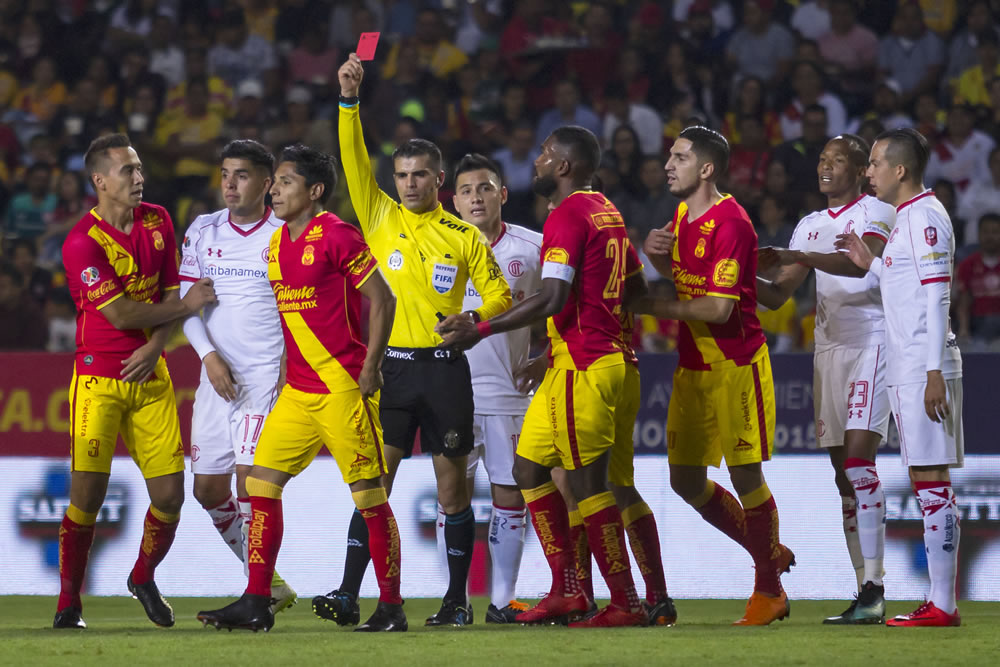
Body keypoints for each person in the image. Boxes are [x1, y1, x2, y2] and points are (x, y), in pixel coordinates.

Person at [318, 54, 511, 628]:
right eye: (401, 175)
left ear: (438, 181)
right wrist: (349, 101)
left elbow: (501, 297)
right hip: (392, 373)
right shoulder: (378, 215)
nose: (407, 184)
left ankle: (456, 602)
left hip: (446, 371)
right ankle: (351, 594)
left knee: (453, 493)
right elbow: (353, 158)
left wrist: (475, 322)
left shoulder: (464, 235)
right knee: (372, 486)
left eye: (418, 175)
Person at [438, 125, 651, 628]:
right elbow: (634, 289)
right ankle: (569, 589)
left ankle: (626, 602)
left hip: (586, 364)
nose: (535, 160)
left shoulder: (566, 215)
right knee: (530, 468)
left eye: (544, 154)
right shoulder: (605, 209)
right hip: (577, 357)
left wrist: (482, 327)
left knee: (587, 485)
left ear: (562, 165)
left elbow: (553, 298)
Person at [196, 144, 403, 632]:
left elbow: (383, 298)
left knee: (370, 498)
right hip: (298, 393)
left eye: (285, 182)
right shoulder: (275, 245)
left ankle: (391, 607)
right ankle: (257, 600)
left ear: (313, 191)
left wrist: (372, 367)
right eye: (276, 182)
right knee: (260, 485)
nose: (275, 190)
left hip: (341, 389)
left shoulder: (337, 235)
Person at [54, 133, 218, 629]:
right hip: (99, 380)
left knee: (170, 497)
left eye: (141, 167)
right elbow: (122, 312)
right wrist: (186, 309)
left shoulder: (159, 221)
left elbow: (169, 290)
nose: (139, 177)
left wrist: (156, 345)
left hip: (150, 375)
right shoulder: (82, 241)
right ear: (101, 181)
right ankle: (69, 605)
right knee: (87, 497)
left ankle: (142, 576)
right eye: (128, 170)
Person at [641, 126, 793, 625]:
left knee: (745, 473)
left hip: (736, 365)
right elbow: (688, 276)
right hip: (693, 366)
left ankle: (768, 591)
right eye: (670, 156)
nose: (668, 165)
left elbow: (721, 309)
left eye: (680, 157)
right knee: (684, 480)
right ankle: (767, 549)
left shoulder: (732, 223)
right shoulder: (684, 213)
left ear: (706, 169)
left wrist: (648, 306)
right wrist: (659, 256)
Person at [755, 134, 897, 623]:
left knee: (860, 462)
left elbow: (857, 268)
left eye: (838, 161)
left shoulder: (877, 211)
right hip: (828, 349)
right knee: (843, 477)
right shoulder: (810, 225)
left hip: (874, 341)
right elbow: (778, 296)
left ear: (860, 171)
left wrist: (802, 259)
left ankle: (877, 586)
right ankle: (864, 592)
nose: (826, 168)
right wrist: (727, 274)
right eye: (822, 160)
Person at [836, 128, 964, 627]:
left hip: (923, 366)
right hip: (910, 364)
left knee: (933, 481)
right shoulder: (906, 219)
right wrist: (871, 262)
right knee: (927, 478)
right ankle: (940, 603)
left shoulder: (925, 218)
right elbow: (905, 282)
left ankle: (943, 605)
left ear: (900, 170)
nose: (867, 171)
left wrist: (933, 370)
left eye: (873, 163)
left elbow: (937, 297)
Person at [179, 140, 295, 616]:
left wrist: (291, 371)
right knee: (207, 490)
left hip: (263, 379)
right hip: (216, 378)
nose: (229, 183)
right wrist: (208, 357)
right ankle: (269, 584)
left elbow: (298, 313)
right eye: (225, 173)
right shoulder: (203, 231)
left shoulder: (285, 235)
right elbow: (188, 307)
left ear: (266, 184)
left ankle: (258, 594)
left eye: (241, 175)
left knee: (253, 484)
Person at [441, 153, 542, 623]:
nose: (476, 197)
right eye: (466, 191)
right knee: (451, 498)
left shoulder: (532, 248)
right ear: (454, 201)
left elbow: (567, 306)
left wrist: (547, 355)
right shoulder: (436, 246)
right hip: (447, 391)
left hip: (507, 393)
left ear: (501, 194)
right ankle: (453, 598)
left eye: (485, 188)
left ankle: (503, 601)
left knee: (509, 496)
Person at [956, 214, 1000, 347]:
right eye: (986, 232)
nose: (990, 237)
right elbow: (964, 300)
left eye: (995, 232)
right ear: (979, 234)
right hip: (977, 322)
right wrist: (964, 330)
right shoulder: (967, 265)